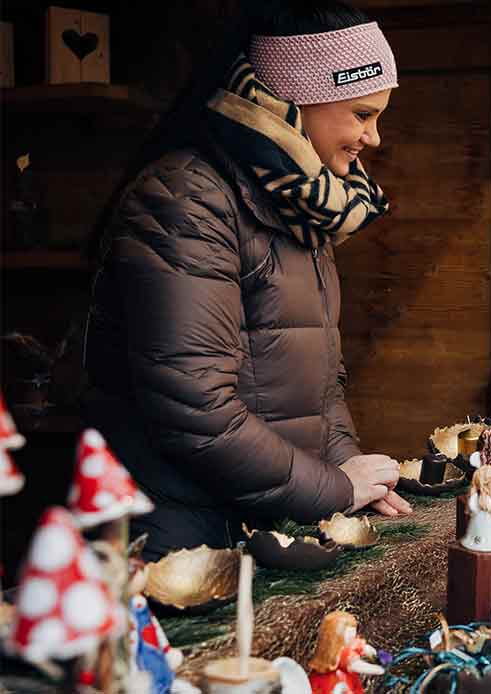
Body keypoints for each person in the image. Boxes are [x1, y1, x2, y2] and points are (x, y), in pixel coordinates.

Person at [84, 0, 411, 559]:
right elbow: (196, 408)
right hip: (181, 542)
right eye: (361, 114)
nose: (373, 138)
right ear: (298, 97)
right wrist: (333, 487)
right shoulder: (187, 200)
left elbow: (322, 386)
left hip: (265, 521)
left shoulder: (303, 206)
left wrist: (351, 478)